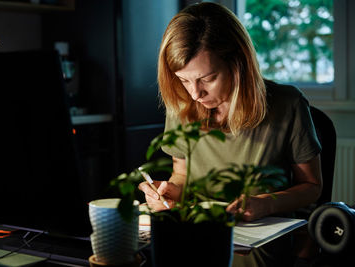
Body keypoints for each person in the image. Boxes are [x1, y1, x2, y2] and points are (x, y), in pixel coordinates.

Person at [138, 2, 322, 267]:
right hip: (196, 240)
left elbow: (312, 187)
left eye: (208, 78)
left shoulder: (288, 105)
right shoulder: (181, 106)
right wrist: (168, 192)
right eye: (184, 80)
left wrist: (265, 204)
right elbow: (182, 174)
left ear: (238, 63)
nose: (195, 94)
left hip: (261, 245)